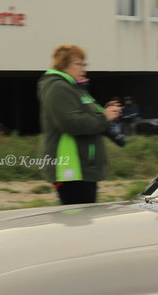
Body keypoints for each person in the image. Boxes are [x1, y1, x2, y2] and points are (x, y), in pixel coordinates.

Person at [37, 44, 122, 204]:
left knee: (82, 221)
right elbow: (70, 123)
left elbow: (86, 115)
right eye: (79, 63)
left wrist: (105, 114)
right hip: (71, 169)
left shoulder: (73, 88)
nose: (84, 68)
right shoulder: (58, 88)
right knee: (76, 221)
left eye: (84, 64)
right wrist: (103, 118)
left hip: (81, 167)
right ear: (64, 65)